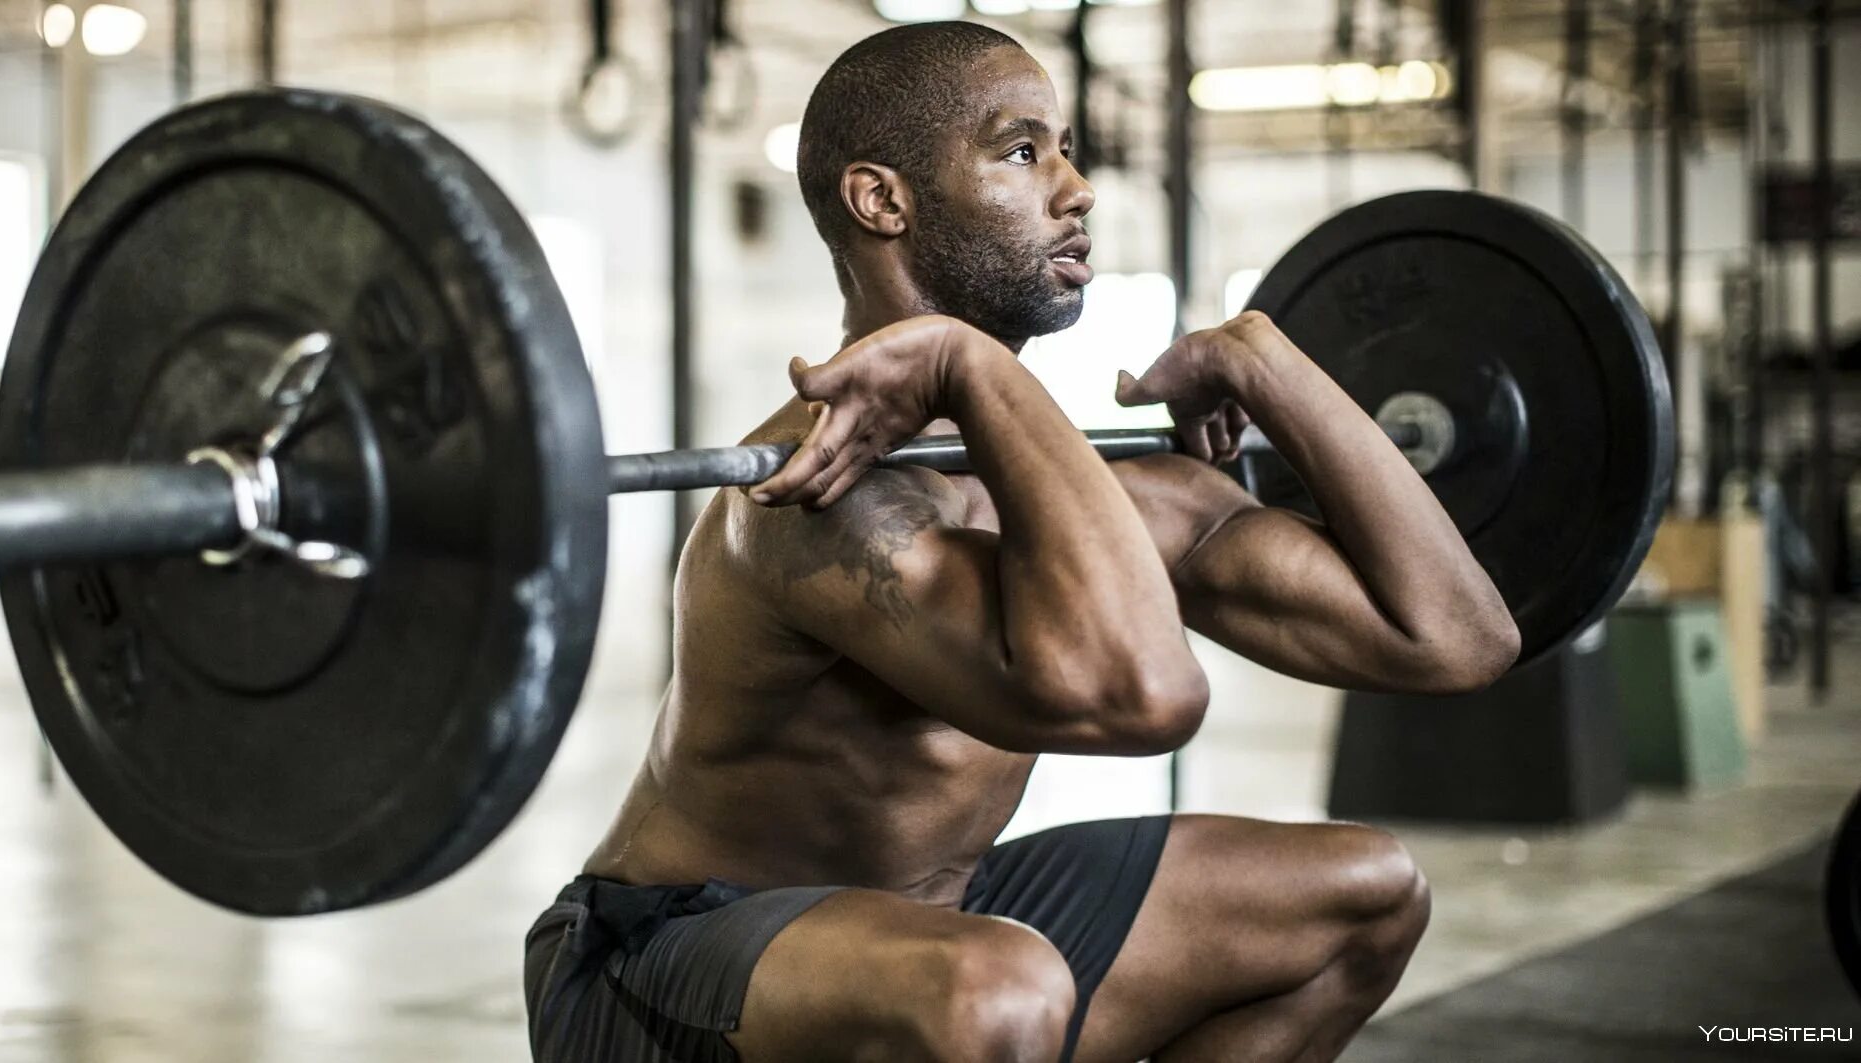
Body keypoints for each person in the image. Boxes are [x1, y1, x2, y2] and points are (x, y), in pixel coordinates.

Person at [525, 21, 1519, 1063]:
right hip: (667, 965)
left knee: (1363, 896)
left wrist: (1269, 362)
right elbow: (1144, 697)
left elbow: (1455, 637)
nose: (1076, 187)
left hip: (933, 917)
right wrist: (970, 365)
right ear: (883, 200)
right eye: (1020, 150)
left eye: (1068, 148)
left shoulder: (1103, 488)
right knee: (998, 990)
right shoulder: (819, 497)